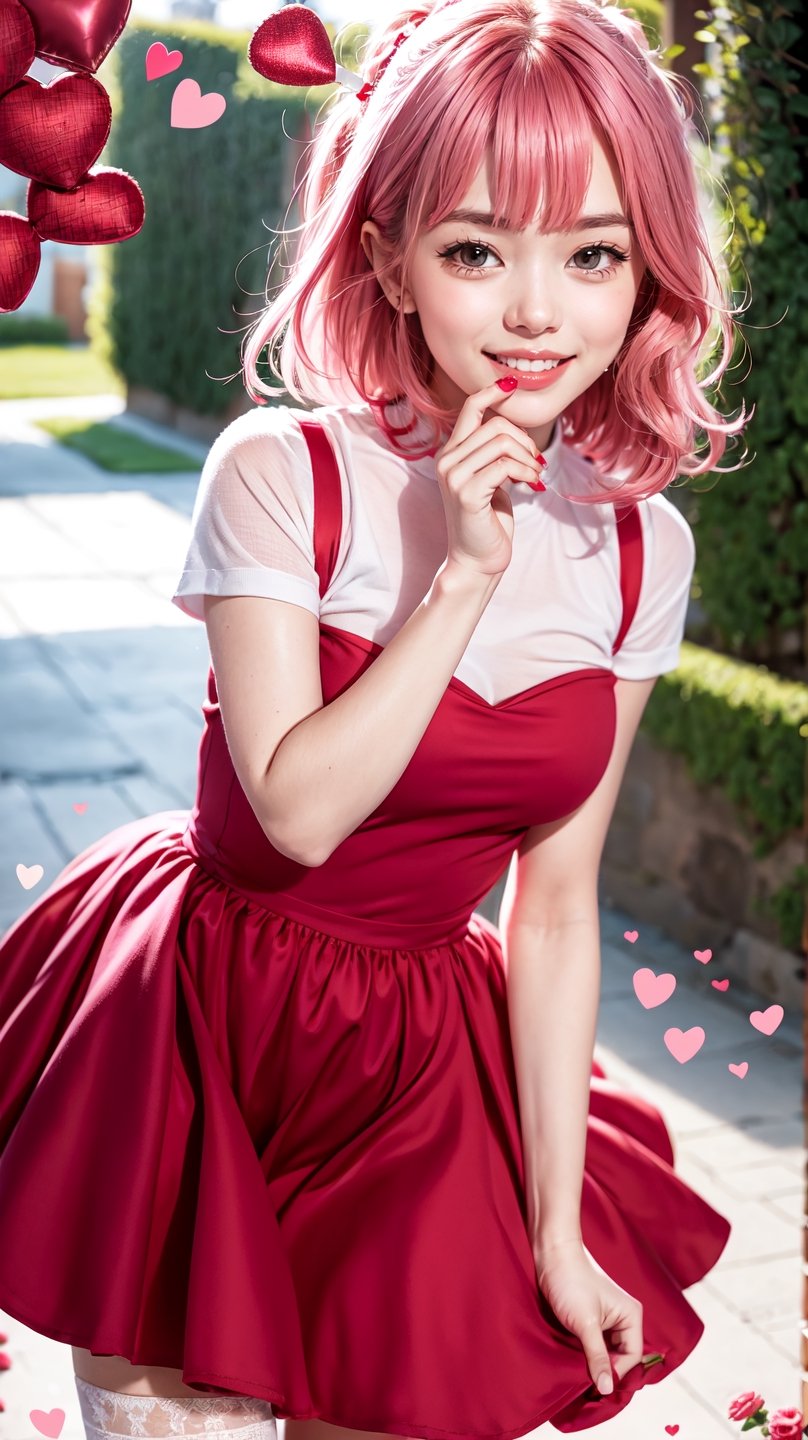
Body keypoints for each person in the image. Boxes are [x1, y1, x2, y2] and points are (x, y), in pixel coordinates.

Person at [0, 1, 746, 1437]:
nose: (539, 312)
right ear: (391, 254)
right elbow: (295, 813)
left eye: (593, 254)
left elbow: (558, 908)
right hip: (205, 1034)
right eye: (478, 249)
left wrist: (552, 1228)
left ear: (647, 270)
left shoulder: (646, 550)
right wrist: (464, 574)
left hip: (418, 1057)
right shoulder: (283, 470)